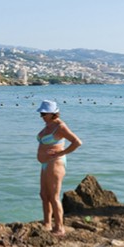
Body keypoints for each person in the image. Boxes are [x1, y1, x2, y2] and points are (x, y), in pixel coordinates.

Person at [36, 100, 82, 237]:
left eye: (44, 113)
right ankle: (47, 223)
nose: (42, 116)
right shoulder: (48, 125)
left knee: (54, 196)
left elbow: (77, 142)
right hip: (45, 163)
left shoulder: (60, 127)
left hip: (55, 163)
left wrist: (61, 153)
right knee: (44, 194)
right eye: (41, 113)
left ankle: (59, 228)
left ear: (53, 113)